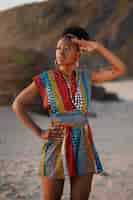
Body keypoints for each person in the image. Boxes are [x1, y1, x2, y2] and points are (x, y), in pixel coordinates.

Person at [12, 26, 126, 200]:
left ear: (78, 54)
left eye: (67, 48)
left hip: (83, 144)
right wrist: (39, 132)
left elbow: (120, 69)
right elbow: (18, 104)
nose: (61, 52)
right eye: (58, 48)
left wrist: (97, 47)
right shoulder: (45, 79)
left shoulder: (87, 77)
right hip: (56, 143)